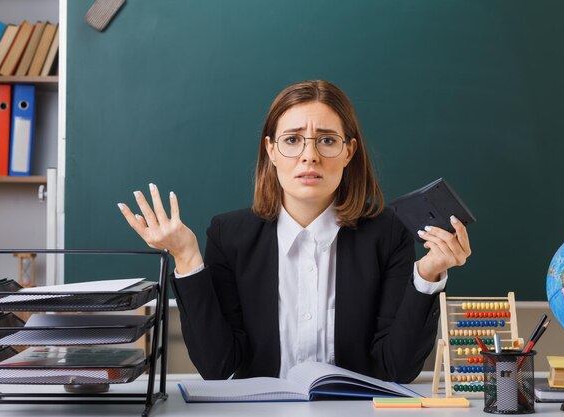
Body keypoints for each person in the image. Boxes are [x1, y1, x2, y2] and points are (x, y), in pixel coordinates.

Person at [118, 80, 471, 383]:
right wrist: (186, 257)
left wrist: (427, 275)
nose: (310, 156)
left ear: (349, 152)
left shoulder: (386, 234)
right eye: (292, 140)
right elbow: (217, 366)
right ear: (271, 150)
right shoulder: (229, 235)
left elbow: (398, 368)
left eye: (327, 141)